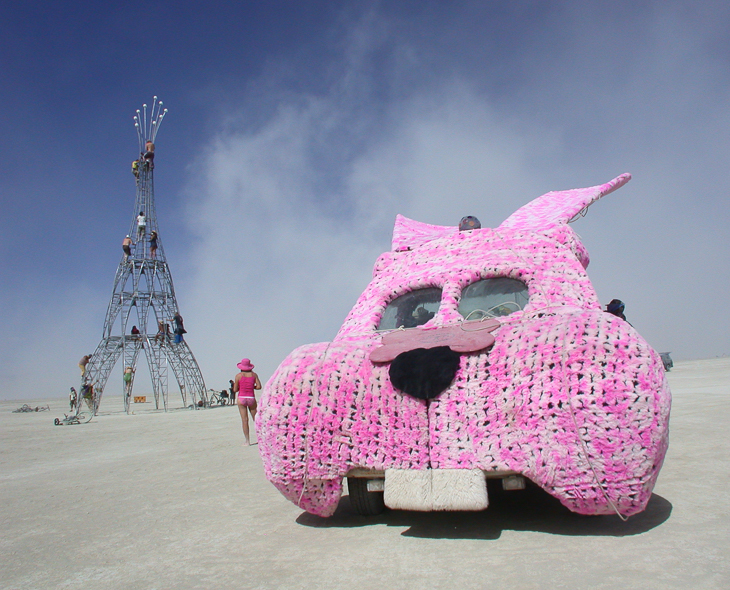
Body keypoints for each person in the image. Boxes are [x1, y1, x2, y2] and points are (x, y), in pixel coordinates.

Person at [234, 358, 262, 445]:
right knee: (256, 419)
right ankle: (260, 438)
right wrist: (251, 387)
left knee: (244, 420)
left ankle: (247, 441)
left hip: (241, 397)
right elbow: (259, 387)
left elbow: (235, 389)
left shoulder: (238, 376)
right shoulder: (254, 375)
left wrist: (240, 387)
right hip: (251, 398)